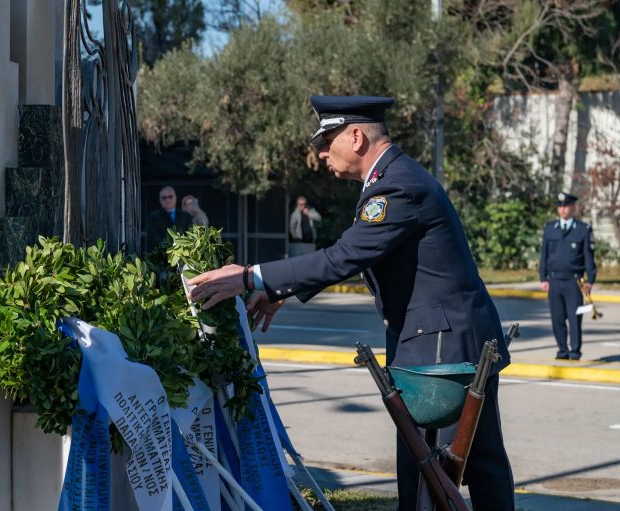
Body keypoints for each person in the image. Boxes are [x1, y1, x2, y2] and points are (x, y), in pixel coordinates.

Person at [188, 95, 515, 511]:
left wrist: (251, 276)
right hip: (457, 340)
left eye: (327, 140)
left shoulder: (395, 187)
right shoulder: (394, 179)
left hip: (440, 352)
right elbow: (358, 253)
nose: (322, 153)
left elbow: (345, 256)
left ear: (356, 136)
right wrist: (281, 290)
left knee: (432, 476)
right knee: (481, 468)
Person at [539, 192, 597, 361]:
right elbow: (544, 255)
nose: (562, 209)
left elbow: (589, 257)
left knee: (574, 317)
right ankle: (562, 350)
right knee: (557, 317)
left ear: (573, 207)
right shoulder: (550, 228)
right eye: (560, 206)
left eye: (565, 206)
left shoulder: (583, 229)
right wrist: (543, 277)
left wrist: (590, 280)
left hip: (574, 281)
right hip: (555, 280)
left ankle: (575, 351)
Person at [145, 186, 193, 252]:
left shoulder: (186, 216)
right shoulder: (153, 217)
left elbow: (190, 236)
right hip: (160, 255)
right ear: (160, 200)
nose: (167, 200)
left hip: (182, 255)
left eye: (170, 197)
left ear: (175, 198)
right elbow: (151, 240)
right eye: (164, 198)